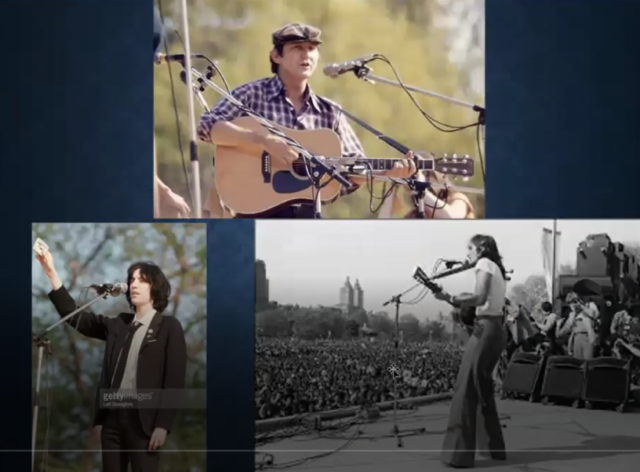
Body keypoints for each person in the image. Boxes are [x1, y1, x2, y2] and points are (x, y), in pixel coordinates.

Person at [198, 22, 431, 218]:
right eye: (297, 47)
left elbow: (352, 169)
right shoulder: (250, 94)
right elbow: (207, 127)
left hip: (309, 217)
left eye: (311, 48)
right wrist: (262, 140)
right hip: (254, 211)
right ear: (276, 55)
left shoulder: (330, 112)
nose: (306, 54)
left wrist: (388, 173)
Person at [35, 247, 187, 472]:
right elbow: (76, 317)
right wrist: (51, 272)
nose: (133, 284)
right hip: (113, 419)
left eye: (141, 280)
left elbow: (174, 381)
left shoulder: (169, 327)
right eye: (131, 279)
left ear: (155, 287)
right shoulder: (119, 325)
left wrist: (162, 425)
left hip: (144, 421)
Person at [433, 234, 508, 468]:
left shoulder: (484, 264)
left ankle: (458, 455)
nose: (467, 253)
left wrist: (452, 297)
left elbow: (479, 297)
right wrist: (450, 298)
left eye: (470, 248)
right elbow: (476, 297)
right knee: (483, 388)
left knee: (465, 388)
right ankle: (493, 448)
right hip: (495, 329)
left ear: (481, 248)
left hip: (484, 329)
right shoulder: (496, 267)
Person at [557, 292, 597, 360]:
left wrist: (581, 307)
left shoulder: (589, 306)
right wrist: (558, 327)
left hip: (587, 337)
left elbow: (594, 314)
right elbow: (566, 328)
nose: (572, 305)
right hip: (576, 338)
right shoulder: (572, 314)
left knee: (588, 361)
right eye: (569, 303)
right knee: (578, 362)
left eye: (573, 302)